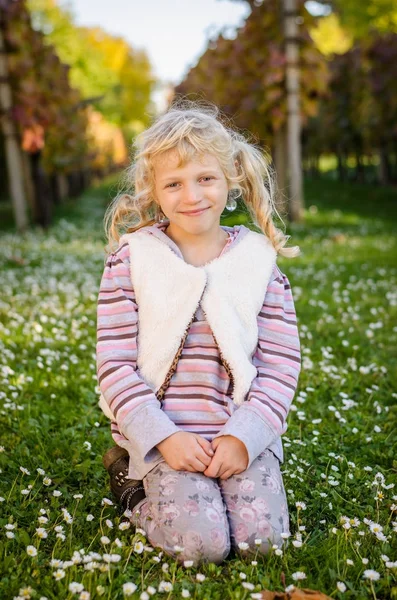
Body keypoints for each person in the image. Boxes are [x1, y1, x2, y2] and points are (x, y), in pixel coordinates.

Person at [96, 100, 302, 567]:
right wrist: (163, 436)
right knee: (202, 546)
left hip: (239, 433)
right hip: (165, 437)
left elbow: (281, 364)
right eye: (174, 183)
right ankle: (132, 489)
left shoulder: (258, 263)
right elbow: (114, 365)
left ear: (231, 178)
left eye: (205, 178)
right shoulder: (132, 261)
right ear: (154, 191)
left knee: (260, 542)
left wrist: (245, 437)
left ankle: (233, 471)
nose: (192, 195)